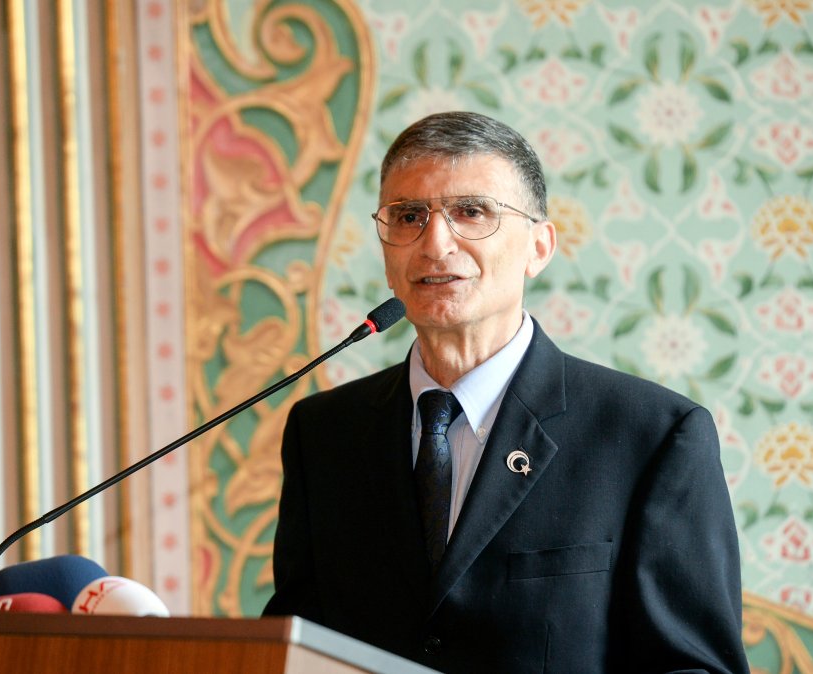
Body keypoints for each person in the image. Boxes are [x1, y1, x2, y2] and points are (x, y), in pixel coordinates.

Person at [264, 111, 749, 673]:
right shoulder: (324, 433)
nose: (434, 242)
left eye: (471, 212)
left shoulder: (652, 435)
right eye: (408, 216)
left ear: (538, 248)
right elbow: (297, 644)